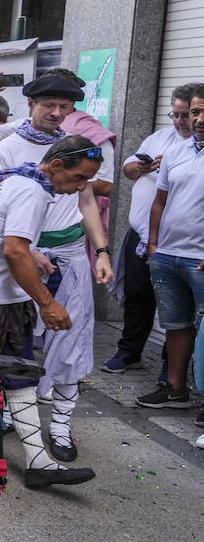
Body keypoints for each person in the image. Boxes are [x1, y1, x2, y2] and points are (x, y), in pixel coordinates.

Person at [0, 74, 113, 462]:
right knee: (13, 346)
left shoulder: (77, 149)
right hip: (18, 260)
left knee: (71, 342)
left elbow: (87, 203)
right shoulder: (7, 146)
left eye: (64, 107)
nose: (56, 113)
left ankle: (60, 427)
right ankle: (1, 418)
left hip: (69, 256)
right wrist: (25, 250)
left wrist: (101, 251)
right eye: (48, 105)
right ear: (31, 104)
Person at [0, 135, 103, 488]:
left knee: (20, 378)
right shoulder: (32, 191)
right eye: (78, 179)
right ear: (57, 166)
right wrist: (48, 302)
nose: (82, 188)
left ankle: (37, 461)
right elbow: (14, 251)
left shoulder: (9, 179)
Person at [104, 83, 196, 372]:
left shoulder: (195, 149)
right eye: (176, 115)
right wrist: (143, 167)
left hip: (178, 242)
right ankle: (129, 352)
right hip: (141, 236)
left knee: (178, 308)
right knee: (137, 296)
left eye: (187, 115)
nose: (181, 122)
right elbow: (128, 168)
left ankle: (174, 370)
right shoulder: (159, 137)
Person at [139, 84, 204, 414]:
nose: (199, 118)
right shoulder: (177, 152)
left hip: (201, 260)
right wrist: (153, 245)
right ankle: (175, 389)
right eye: (195, 112)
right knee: (176, 325)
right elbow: (159, 202)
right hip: (166, 255)